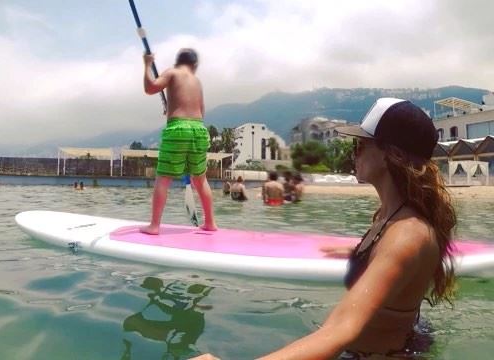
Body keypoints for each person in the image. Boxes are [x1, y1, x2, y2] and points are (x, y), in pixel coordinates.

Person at [191, 98, 457, 359]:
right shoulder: (389, 219)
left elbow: (340, 331)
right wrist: (354, 253)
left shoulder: (406, 236)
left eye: (360, 145)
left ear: (393, 155)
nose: (354, 153)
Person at [139, 48, 217, 235]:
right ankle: (210, 223)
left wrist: (147, 65)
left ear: (177, 62)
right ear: (195, 65)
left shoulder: (172, 73)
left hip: (178, 129)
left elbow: (150, 88)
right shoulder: (197, 81)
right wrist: (174, 108)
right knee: (200, 179)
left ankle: (155, 226)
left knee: (163, 178)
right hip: (199, 129)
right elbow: (201, 110)